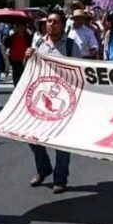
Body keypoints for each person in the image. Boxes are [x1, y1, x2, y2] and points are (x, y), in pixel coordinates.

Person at [24, 10, 77, 194]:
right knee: (32, 136)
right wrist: (27, 57)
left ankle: (60, 179)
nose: (50, 25)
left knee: (62, 142)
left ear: (63, 25)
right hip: (41, 97)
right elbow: (29, 70)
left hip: (64, 100)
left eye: (55, 22)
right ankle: (43, 168)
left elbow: (80, 74)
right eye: (49, 21)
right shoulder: (39, 43)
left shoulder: (71, 46)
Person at [4, 21, 33, 86]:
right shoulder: (12, 37)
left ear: (24, 27)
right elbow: (6, 44)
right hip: (14, 61)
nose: (18, 28)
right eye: (17, 26)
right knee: (16, 80)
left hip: (24, 62)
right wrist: (10, 34)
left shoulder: (28, 37)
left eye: (20, 26)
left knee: (24, 80)